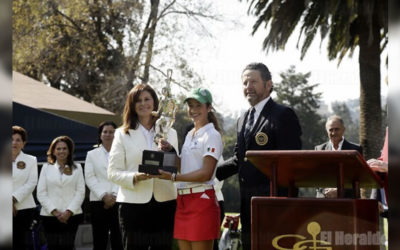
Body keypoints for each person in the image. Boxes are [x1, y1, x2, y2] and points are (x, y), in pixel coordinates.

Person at [216, 62, 302, 250]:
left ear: (268, 84)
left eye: (254, 81)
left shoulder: (283, 115)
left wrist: (285, 207)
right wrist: (209, 172)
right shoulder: (242, 119)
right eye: (245, 83)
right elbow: (240, 159)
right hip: (248, 206)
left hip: (276, 207)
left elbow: (291, 163)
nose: (248, 87)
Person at [107, 83, 178, 250]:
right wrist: (134, 177)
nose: (143, 104)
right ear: (131, 105)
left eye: (147, 99)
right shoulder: (121, 134)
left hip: (165, 202)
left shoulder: (171, 132)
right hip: (133, 205)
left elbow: (176, 164)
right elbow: (112, 173)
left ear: (155, 103)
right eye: (138, 100)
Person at [157, 87, 223, 250]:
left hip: (202, 201)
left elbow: (206, 173)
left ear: (209, 108)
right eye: (190, 105)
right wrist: (170, 151)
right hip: (184, 201)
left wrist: (173, 178)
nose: (193, 110)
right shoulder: (190, 134)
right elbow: (184, 166)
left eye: (198, 106)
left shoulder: (212, 135)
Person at [37, 136, 85, 250]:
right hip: (50, 216)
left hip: (72, 216)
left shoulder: (77, 167)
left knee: (68, 246)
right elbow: (41, 193)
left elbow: (80, 192)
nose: (61, 151)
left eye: (64, 148)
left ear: (69, 151)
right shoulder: (45, 168)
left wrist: (68, 212)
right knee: (53, 246)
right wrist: (56, 213)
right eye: (58, 149)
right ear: (53, 151)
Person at [84, 121, 123, 250]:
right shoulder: (91, 154)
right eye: (105, 132)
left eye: (111, 132)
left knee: (119, 239)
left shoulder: (123, 153)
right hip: (98, 201)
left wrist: (114, 195)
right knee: (99, 239)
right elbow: (90, 177)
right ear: (100, 135)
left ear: (116, 134)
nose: (108, 134)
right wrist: (104, 196)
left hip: (119, 200)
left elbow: (123, 175)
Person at [315, 115, 362, 198]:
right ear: (327, 131)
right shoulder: (319, 149)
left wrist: (340, 191)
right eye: (331, 130)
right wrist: (326, 191)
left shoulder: (356, 150)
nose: (333, 133)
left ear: (344, 129)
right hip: (324, 200)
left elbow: (359, 178)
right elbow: (315, 177)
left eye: (337, 129)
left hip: (348, 200)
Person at [12, 125, 38, 249]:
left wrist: (12, 199)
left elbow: (32, 183)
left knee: (20, 243)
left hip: (24, 209)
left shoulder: (32, 160)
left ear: (24, 143)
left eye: (18, 140)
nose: (14, 142)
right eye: (11, 139)